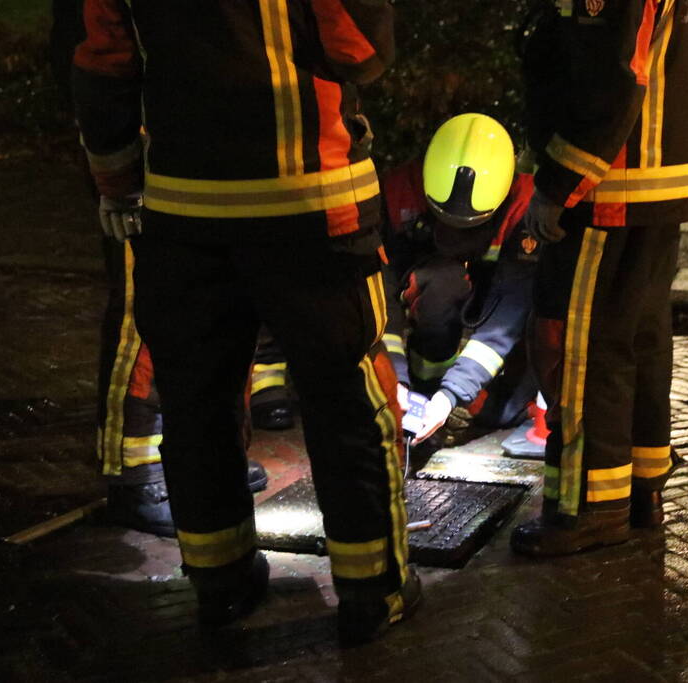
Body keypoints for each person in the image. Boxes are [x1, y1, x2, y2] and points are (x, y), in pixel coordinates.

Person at [72, 0, 417, 643]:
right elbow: (363, 51)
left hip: (182, 212)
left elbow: (104, 60)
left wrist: (116, 179)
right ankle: (374, 589)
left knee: (198, 403)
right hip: (311, 205)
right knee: (347, 402)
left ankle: (220, 584)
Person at [49, 0, 272, 539]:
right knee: (141, 309)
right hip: (151, 148)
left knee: (219, 309)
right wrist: (119, 163)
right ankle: (136, 474)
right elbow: (96, 57)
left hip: (204, 147)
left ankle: (213, 458)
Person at [511, 0, 688, 556]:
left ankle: (588, 510)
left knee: (583, 349)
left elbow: (612, 75)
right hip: (655, 178)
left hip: (611, 184)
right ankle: (638, 489)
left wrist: (561, 180)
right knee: (638, 340)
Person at [378, 114, 541, 450]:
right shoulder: (396, 194)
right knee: (442, 285)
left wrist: (454, 393)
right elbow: (383, 297)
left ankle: (457, 392)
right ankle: (426, 383)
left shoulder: (526, 208)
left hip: (496, 293)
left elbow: (508, 318)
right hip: (438, 286)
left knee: (501, 411)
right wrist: (394, 379)